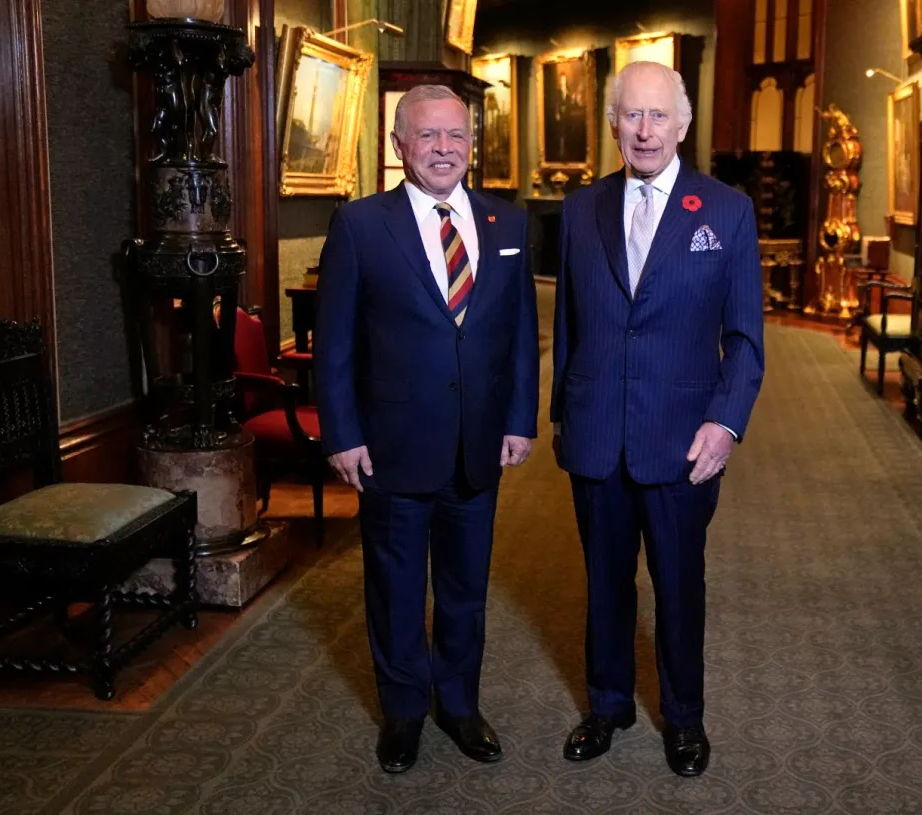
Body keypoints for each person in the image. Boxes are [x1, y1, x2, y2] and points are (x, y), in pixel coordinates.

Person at [314, 84, 538, 773]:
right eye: (429, 136)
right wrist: (342, 433)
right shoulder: (360, 225)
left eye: (457, 136)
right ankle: (405, 712)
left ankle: (460, 706)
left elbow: (522, 334)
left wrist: (520, 419)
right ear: (400, 146)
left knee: (467, 588)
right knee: (397, 585)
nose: (445, 149)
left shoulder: (508, 224)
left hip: (477, 445)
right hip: (391, 447)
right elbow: (336, 343)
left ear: (473, 144)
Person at [551, 61, 764, 778]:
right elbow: (571, 322)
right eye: (630, 115)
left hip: (682, 443)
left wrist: (725, 424)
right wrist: (561, 417)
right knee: (604, 582)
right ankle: (607, 704)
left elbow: (745, 341)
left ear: (684, 123)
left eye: (658, 116)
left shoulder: (727, 211)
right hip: (595, 437)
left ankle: (684, 718)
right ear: (612, 122)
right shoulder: (580, 210)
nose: (644, 130)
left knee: (679, 583)